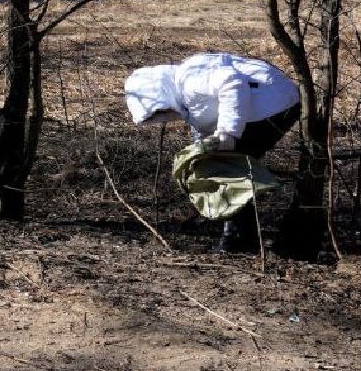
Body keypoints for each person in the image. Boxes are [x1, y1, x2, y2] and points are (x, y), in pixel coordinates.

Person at [124, 52, 300, 253]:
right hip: (274, 106)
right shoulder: (185, 94)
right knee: (223, 168)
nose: (164, 116)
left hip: (273, 105)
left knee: (224, 170)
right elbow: (205, 123)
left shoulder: (190, 79)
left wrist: (228, 132)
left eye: (159, 111)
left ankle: (237, 241)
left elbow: (232, 83)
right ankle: (240, 238)